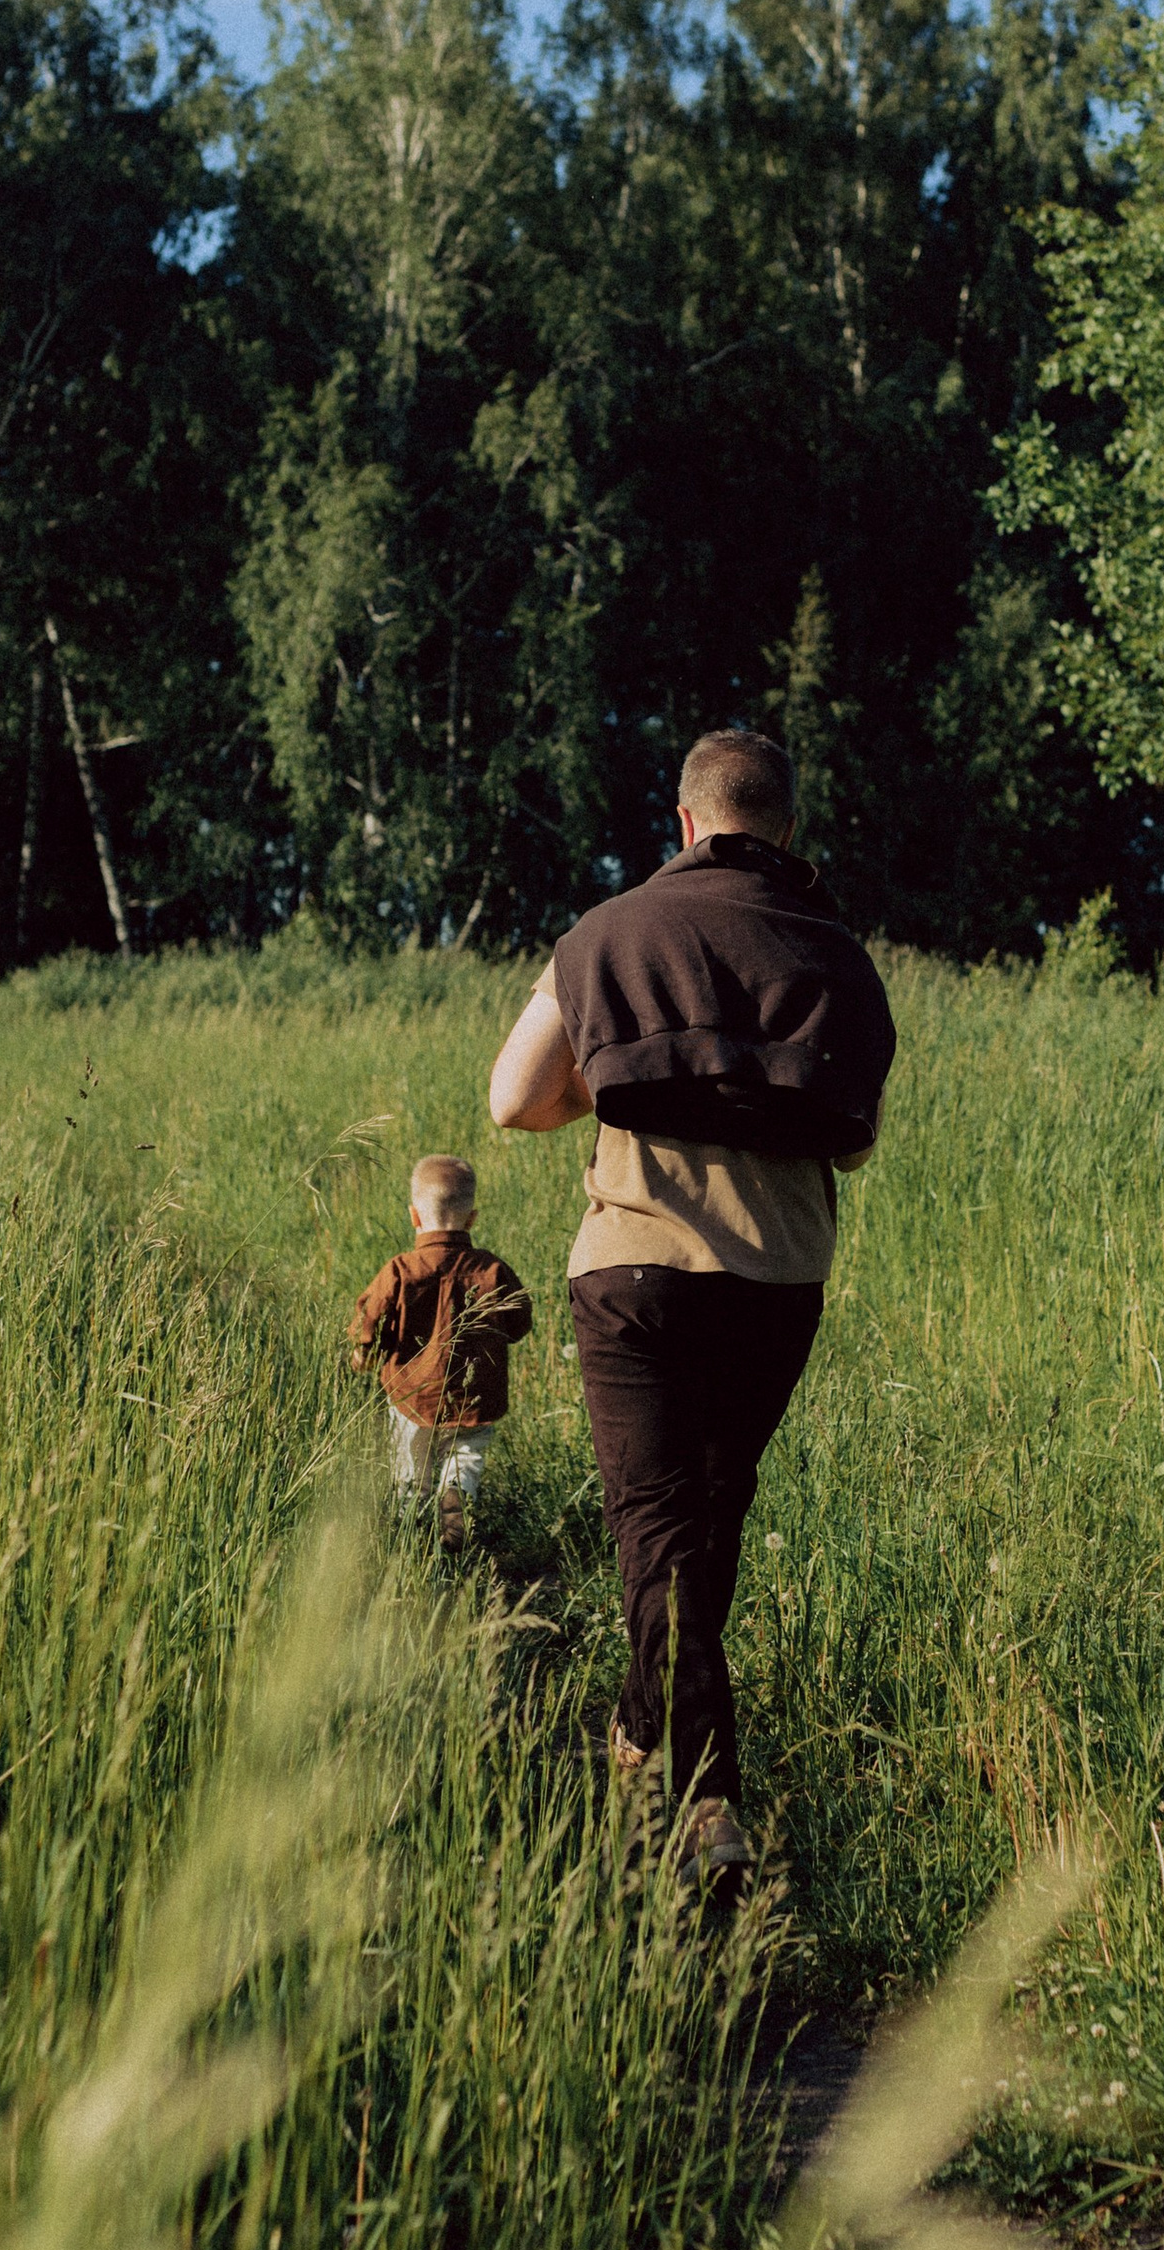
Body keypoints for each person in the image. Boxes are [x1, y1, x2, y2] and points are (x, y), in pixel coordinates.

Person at [487, 730, 895, 1879]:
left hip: (636, 1266)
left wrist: (621, 1094)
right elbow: (852, 1146)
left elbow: (513, 1100)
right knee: (701, 1527)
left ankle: (699, 1802)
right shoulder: (838, 957)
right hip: (778, 1276)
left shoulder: (605, 931)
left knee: (660, 1532)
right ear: (787, 828)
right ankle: (647, 1750)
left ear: (682, 821)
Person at [348, 1154, 532, 1549]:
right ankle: (455, 1510)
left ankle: (411, 1536)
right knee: (463, 1460)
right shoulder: (493, 1271)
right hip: (473, 1399)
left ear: (414, 1216)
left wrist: (364, 1353)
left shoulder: (400, 1270)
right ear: (472, 1218)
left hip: (413, 1396)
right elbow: (518, 1324)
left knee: (412, 1469)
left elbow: (371, 1319)